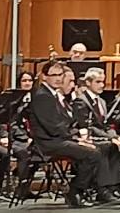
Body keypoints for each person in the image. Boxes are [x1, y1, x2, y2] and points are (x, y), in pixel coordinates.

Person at [29, 62, 101, 207]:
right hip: (48, 143)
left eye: (60, 75)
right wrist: (77, 140)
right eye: (53, 75)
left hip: (57, 139)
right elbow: (54, 128)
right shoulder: (43, 96)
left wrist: (78, 138)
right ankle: (74, 191)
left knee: (96, 149)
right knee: (93, 154)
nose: (58, 78)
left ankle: (84, 190)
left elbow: (65, 123)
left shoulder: (53, 94)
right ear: (44, 76)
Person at [73, 67, 120, 202]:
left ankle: (114, 186)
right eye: (98, 82)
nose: (102, 85)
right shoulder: (81, 101)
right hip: (88, 138)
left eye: (103, 82)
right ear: (88, 83)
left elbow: (107, 124)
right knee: (106, 146)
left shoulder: (101, 101)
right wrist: (111, 138)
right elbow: (88, 126)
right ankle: (102, 189)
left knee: (115, 146)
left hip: (104, 136)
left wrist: (115, 136)